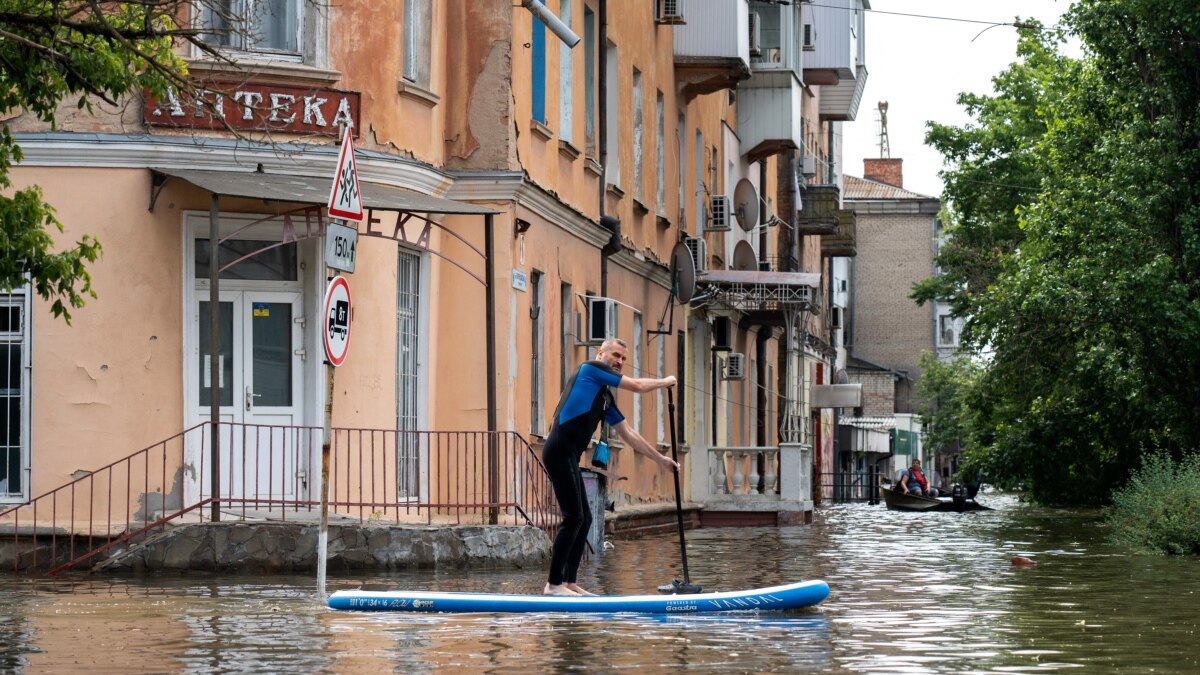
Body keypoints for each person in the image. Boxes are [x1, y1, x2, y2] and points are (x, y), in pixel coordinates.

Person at [542, 338, 678, 596]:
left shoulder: (604, 396)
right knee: (573, 518)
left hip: (569, 454)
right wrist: (664, 381)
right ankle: (553, 585)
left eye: (624, 358)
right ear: (600, 353)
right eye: (615, 355)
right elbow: (637, 385)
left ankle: (569, 583)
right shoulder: (589, 369)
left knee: (585, 518)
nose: (619, 361)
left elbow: (628, 434)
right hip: (558, 450)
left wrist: (660, 460)